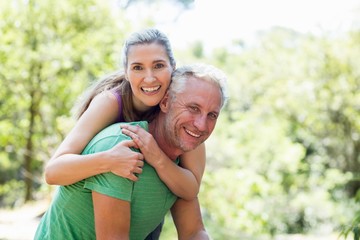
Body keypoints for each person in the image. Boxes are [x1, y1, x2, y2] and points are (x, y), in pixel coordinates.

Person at [34, 63, 229, 239]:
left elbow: (194, 232)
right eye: (193, 108)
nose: (201, 125)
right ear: (165, 102)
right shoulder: (122, 147)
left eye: (212, 115)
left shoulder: (181, 160)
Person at [45, 28, 205, 202]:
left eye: (158, 66)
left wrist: (157, 157)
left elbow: (191, 189)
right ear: (126, 72)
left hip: (147, 209)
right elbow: (53, 172)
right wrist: (109, 160)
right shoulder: (110, 102)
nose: (149, 78)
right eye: (138, 68)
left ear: (172, 67)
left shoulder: (181, 105)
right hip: (92, 208)